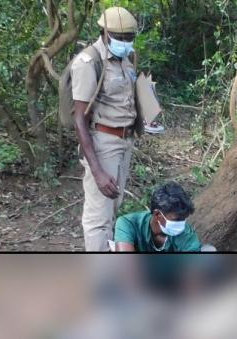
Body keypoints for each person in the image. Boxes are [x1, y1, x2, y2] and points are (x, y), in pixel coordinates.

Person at [71, 7, 143, 251]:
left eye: (129, 38)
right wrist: (98, 171)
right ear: (104, 32)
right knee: (98, 217)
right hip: (102, 142)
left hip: (125, 141)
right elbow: (79, 119)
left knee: (112, 206)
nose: (125, 42)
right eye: (120, 37)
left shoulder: (127, 59)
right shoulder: (88, 63)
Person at [114, 182, 203, 252]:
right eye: (176, 220)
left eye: (184, 219)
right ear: (157, 215)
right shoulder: (129, 224)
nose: (181, 224)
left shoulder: (186, 234)